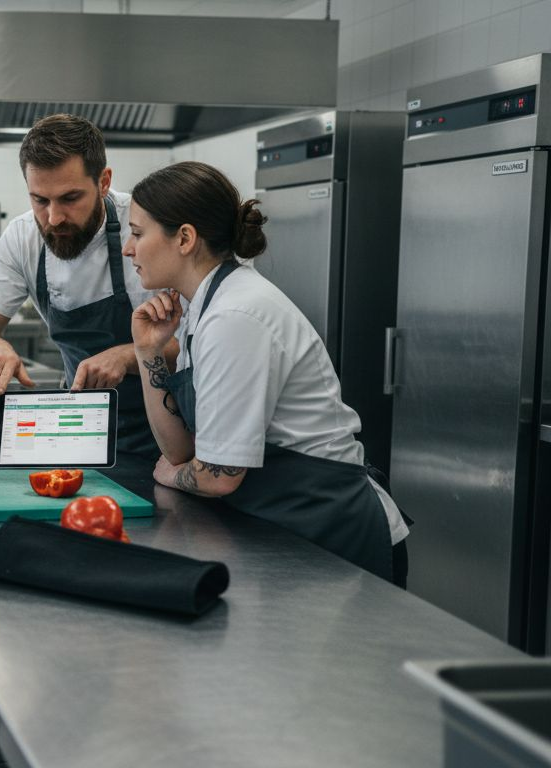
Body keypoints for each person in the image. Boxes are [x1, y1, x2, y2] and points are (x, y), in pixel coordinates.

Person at [126, 161, 409, 585]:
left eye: (136, 233)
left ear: (184, 238)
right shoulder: (201, 310)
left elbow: (217, 477)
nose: (128, 249)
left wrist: (173, 475)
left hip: (332, 533)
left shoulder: (235, 315)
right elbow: (181, 451)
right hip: (283, 523)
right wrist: (148, 351)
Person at [0, 114, 174, 458]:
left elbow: (200, 348)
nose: (54, 217)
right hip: (81, 430)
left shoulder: (147, 227)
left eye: (70, 198)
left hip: (168, 432)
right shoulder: (23, 235)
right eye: (40, 200)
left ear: (103, 182)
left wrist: (127, 355)